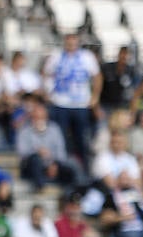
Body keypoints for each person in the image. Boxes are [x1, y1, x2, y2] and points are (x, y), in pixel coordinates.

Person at [42, 32, 101, 165]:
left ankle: (84, 167)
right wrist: (47, 93)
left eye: (74, 43)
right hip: (60, 103)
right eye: (68, 43)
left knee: (82, 138)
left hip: (81, 104)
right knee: (61, 138)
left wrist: (95, 97)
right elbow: (46, 73)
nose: (71, 46)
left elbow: (97, 77)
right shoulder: (56, 56)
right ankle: (62, 165)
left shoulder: (87, 57)